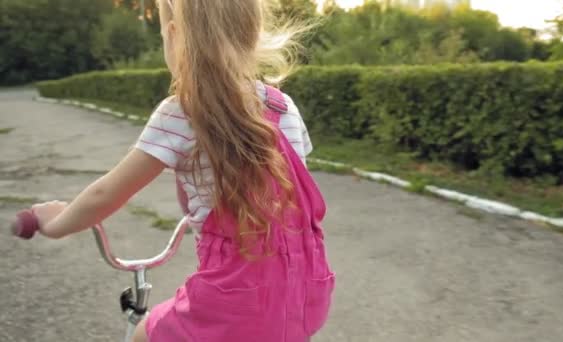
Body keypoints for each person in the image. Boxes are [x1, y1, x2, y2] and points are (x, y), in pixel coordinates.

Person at [30, 0, 335, 341]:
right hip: (303, 299)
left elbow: (106, 194)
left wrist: (55, 224)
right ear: (253, 34)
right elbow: (292, 196)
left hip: (234, 303)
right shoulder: (284, 107)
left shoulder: (183, 113)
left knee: (143, 334)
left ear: (174, 35)